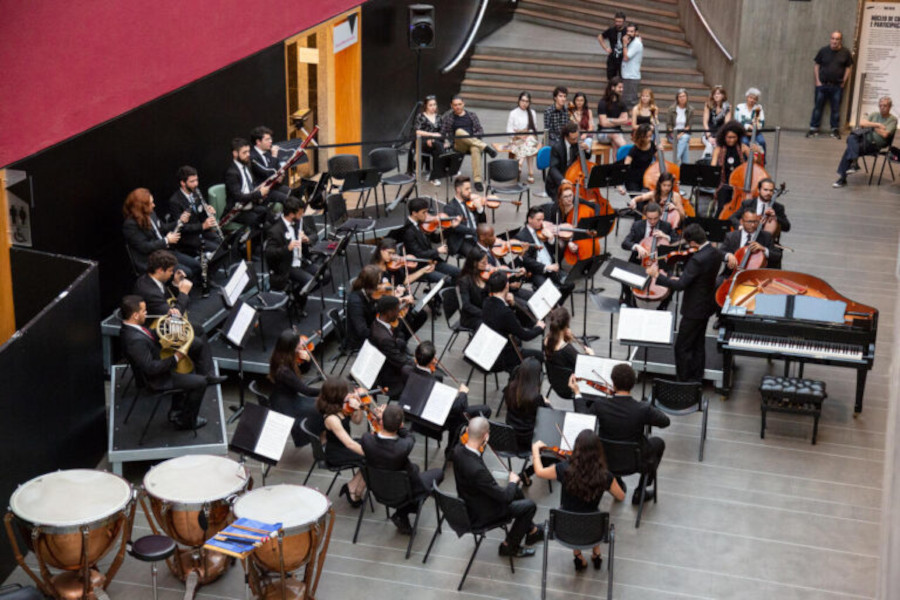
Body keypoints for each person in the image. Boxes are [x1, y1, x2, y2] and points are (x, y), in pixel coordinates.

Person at [532, 430, 626, 571]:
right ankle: (596, 553)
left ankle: (578, 556)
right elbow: (621, 496)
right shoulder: (605, 476)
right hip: (594, 531)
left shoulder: (564, 469)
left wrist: (535, 450)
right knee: (593, 513)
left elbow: (539, 472)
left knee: (573, 513)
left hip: (565, 528)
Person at [452, 416, 544, 558]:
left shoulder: (458, 450)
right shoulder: (477, 470)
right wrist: (513, 481)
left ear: (468, 431)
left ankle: (532, 530)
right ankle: (509, 547)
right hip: (482, 513)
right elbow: (505, 497)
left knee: (517, 492)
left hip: (469, 498)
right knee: (529, 505)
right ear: (486, 436)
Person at [119, 295, 210, 431]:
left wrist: (169, 323)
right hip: (157, 380)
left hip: (158, 364)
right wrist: (176, 357)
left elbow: (151, 335)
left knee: (194, 349)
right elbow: (151, 368)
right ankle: (187, 421)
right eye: (144, 311)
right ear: (135, 315)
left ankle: (176, 410)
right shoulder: (134, 341)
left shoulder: (133, 328)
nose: (147, 313)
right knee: (201, 382)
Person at [581, 363, 669, 503]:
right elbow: (665, 421)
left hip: (605, 460)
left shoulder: (600, 404)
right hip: (636, 462)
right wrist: (649, 407)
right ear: (633, 385)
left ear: (613, 384)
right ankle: (641, 490)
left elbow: (583, 420)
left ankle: (617, 481)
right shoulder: (642, 409)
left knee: (612, 441)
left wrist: (579, 395)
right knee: (658, 443)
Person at [132, 250, 223, 385]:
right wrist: (184, 293)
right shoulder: (149, 291)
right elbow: (174, 317)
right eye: (169, 271)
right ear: (159, 270)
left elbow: (168, 300)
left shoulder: (151, 279)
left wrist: (175, 284)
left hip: (163, 322)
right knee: (197, 343)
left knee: (198, 329)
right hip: (156, 332)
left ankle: (206, 373)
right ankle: (201, 377)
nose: (171, 273)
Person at [646, 224, 722, 382]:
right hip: (707, 304)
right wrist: (682, 279)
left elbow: (680, 286)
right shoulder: (714, 252)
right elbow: (696, 279)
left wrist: (657, 276)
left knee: (682, 347)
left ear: (693, 243)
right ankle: (696, 378)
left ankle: (683, 381)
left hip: (694, 308)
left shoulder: (697, 259)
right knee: (698, 344)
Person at [361, 404, 445, 534]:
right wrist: (394, 421)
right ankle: (402, 512)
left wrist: (380, 418)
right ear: (401, 425)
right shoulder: (404, 446)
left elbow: (375, 434)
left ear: (381, 422)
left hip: (377, 489)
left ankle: (402, 514)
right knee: (438, 473)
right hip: (403, 493)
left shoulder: (366, 440)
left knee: (414, 470)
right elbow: (408, 435)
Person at [400, 341, 491, 455]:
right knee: (468, 413)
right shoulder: (434, 384)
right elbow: (458, 407)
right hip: (431, 422)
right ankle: (451, 449)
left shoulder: (406, 370)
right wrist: (463, 393)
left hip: (415, 416)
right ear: (433, 360)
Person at [122, 187, 197, 278]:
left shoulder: (151, 213)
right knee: (187, 272)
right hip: (153, 260)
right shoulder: (130, 225)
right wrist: (166, 240)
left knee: (195, 265)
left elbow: (162, 227)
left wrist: (179, 221)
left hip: (165, 252)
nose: (154, 205)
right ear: (141, 206)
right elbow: (144, 247)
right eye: (150, 203)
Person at [317, 378, 369, 506]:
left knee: (372, 443)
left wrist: (359, 407)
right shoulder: (331, 419)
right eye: (347, 393)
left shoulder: (342, 407)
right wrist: (371, 453)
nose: (350, 395)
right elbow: (349, 444)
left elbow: (357, 421)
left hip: (344, 445)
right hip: (337, 452)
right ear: (337, 395)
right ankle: (356, 491)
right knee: (373, 458)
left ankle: (352, 486)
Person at [268, 329, 322, 447]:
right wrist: (327, 391)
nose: (302, 344)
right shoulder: (283, 371)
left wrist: (307, 361)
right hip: (286, 403)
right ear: (291, 347)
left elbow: (303, 371)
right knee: (321, 409)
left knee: (320, 405)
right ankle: (315, 440)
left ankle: (320, 438)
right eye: (298, 343)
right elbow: (306, 391)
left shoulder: (282, 356)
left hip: (287, 396)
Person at [481, 271, 545, 372]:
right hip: (504, 355)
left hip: (491, 347)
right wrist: (539, 328)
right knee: (539, 356)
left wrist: (512, 304)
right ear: (507, 285)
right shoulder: (505, 312)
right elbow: (525, 335)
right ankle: (527, 382)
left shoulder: (486, 302)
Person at [265, 196, 321, 307]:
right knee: (310, 282)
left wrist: (307, 239)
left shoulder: (299, 222)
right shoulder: (275, 230)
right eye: (300, 214)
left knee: (324, 275)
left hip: (301, 261)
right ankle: (297, 300)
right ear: (291, 214)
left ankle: (297, 295)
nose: (302, 216)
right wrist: (287, 248)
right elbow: (269, 253)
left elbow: (314, 235)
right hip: (286, 266)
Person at [514, 206, 574, 304]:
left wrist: (551, 239)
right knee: (550, 292)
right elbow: (526, 260)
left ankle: (557, 305)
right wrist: (546, 267)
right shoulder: (521, 236)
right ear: (530, 219)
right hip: (536, 272)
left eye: (543, 219)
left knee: (570, 284)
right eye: (538, 220)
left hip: (552, 267)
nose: (542, 223)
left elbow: (557, 252)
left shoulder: (544, 230)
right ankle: (553, 307)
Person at [833, 96, 897, 188]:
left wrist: (870, 127)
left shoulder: (892, 119)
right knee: (851, 138)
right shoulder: (875, 114)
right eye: (880, 105)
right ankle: (853, 164)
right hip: (864, 139)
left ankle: (844, 177)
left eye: (885, 106)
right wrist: (877, 125)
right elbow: (862, 123)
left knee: (849, 149)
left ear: (890, 107)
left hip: (874, 145)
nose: (882, 107)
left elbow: (885, 134)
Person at [440, 96, 498, 192]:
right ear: (451, 106)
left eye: (459, 104)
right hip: (458, 144)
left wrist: (472, 138)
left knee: (475, 148)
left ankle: (477, 181)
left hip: (472, 143)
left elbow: (480, 130)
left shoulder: (471, 115)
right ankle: (486, 147)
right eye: (455, 105)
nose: (458, 107)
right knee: (459, 132)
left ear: (463, 104)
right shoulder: (448, 118)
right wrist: (446, 141)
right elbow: (442, 133)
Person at [401, 196, 461, 283]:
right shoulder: (408, 231)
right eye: (424, 212)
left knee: (459, 272)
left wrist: (451, 227)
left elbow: (436, 239)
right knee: (446, 280)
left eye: (427, 212)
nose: (427, 215)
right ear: (414, 213)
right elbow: (418, 254)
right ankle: (441, 295)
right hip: (421, 266)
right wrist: (437, 251)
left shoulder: (423, 224)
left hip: (432, 261)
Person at [166, 166, 220, 261]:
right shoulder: (175, 201)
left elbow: (200, 215)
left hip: (201, 232)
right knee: (216, 249)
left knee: (221, 242)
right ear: (183, 183)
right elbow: (182, 227)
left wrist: (208, 212)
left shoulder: (196, 192)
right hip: (188, 237)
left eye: (196, 180)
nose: (196, 184)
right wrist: (202, 226)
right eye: (192, 181)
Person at [807, 31, 853, 139]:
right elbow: (817, 65)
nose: (834, 41)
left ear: (840, 40)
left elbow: (848, 67)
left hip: (837, 86)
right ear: (830, 39)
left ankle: (835, 130)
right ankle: (813, 129)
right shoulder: (823, 51)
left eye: (837, 39)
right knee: (818, 107)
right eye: (833, 38)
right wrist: (817, 81)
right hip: (822, 85)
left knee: (836, 109)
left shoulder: (846, 53)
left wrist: (844, 81)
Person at [503, 357, 551, 454]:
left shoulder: (509, 388)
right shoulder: (536, 398)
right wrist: (547, 403)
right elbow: (548, 414)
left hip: (511, 436)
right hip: (528, 439)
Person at [475, 223, 532, 302]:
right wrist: (509, 282)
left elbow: (504, 268)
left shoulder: (493, 249)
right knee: (527, 305)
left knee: (533, 296)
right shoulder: (477, 256)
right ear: (482, 237)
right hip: (498, 295)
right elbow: (489, 282)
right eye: (491, 235)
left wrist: (515, 272)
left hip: (507, 287)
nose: (495, 238)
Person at [369, 295, 413, 396]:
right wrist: (419, 364)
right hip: (390, 377)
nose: (398, 314)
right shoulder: (384, 339)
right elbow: (400, 361)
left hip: (389, 362)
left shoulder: (376, 323)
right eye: (397, 310)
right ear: (389, 312)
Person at [224, 137, 272, 228]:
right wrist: (259, 193)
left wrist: (259, 188)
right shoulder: (231, 173)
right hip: (237, 212)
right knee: (260, 223)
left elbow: (250, 187)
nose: (248, 154)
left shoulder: (247, 165)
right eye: (244, 152)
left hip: (249, 206)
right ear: (235, 153)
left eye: (248, 151)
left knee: (269, 214)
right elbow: (239, 197)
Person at [719, 210, 781, 279]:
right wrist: (728, 256)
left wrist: (764, 249)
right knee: (717, 284)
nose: (753, 225)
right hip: (732, 274)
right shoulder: (731, 236)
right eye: (749, 222)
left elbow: (777, 255)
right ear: (742, 222)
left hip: (757, 276)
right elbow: (719, 253)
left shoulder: (766, 236)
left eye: (755, 221)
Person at [729, 178, 791, 243]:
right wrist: (740, 226)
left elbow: (787, 227)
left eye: (771, 190)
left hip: (767, 245)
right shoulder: (748, 203)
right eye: (765, 190)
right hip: (747, 241)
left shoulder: (778, 207)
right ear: (759, 190)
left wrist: (775, 217)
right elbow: (732, 218)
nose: (768, 193)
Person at [711, 120, 751, 214]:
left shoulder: (743, 147)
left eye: (734, 137)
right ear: (724, 137)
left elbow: (755, 163)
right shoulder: (719, 148)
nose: (731, 140)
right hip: (724, 184)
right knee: (722, 208)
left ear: (738, 137)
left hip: (739, 186)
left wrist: (755, 152)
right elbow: (713, 166)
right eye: (729, 137)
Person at [443, 176, 488, 258]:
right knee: (477, 257)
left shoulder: (471, 203)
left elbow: (483, 222)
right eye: (467, 189)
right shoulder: (450, 207)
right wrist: (475, 231)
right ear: (458, 190)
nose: (470, 191)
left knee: (494, 251)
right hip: (462, 240)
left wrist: (480, 208)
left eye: (470, 188)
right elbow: (457, 227)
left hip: (476, 237)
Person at [546, 122, 590, 200]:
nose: (576, 140)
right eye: (573, 139)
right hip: (557, 182)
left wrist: (587, 150)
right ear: (566, 137)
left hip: (573, 179)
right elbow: (553, 168)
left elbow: (587, 157)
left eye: (577, 137)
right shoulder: (557, 147)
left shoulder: (577, 143)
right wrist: (562, 180)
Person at [249, 125, 291, 204]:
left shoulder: (267, 153)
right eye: (267, 139)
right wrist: (274, 156)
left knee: (292, 193)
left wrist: (281, 176)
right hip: (262, 190)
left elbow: (278, 168)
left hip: (274, 186)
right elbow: (268, 174)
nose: (271, 141)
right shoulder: (253, 157)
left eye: (270, 139)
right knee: (287, 199)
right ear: (258, 142)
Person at [411, 95, 447, 183]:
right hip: (422, 141)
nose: (433, 107)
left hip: (436, 142)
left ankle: (434, 176)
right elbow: (417, 131)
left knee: (437, 148)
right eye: (430, 105)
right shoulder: (421, 116)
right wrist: (432, 135)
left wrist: (445, 141)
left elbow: (442, 132)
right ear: (426, 106)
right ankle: (445, 165)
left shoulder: (439, 117)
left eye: (434, 104)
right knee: (438, 145)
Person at [507, 91, 539, 183]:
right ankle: (531, 173)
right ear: (519, 101)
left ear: (529, 103)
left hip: (529, 138)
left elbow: (534, 129)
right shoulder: (513, 113)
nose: (524, 103)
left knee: (529, 141)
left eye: (527, 101)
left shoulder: (532, 113)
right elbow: (509, 130)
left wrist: (526, 133)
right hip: (516, 140)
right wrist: (519, 135)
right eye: (523, 100)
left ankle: (520, 164)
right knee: (528, 146)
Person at [346, 264, 380, 351]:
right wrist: (382, 335)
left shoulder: (368, 294)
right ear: (371, 284)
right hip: (359, 340)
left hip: (371, 329)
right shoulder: (355, 302)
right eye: (378, 283)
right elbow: (362, 331)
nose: (380, 286)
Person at [457, 248, 490, 331]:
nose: (487, 265)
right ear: (475, 263)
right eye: (483, 262)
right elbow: (466, 305)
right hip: (471, 317)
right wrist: (485, 314)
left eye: (487, 261)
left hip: (486, 310)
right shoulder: (465, 281)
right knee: (486, 324)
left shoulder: (486, 275)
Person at [620, 123, 656, 194]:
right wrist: (620, 185)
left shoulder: (652, 145)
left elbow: (659, 161)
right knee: (639, 203)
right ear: (641, 137)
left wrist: (660, 150)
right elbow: (625, 166)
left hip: (646, 178)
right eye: (647, 137)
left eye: (650, 136)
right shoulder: (634, 150)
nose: (649, 139)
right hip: (633, 180)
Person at [596, 77, 629, 152]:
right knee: (614, 135)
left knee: (615, 142)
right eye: (620, 87)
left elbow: (625, 121)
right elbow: (603, 124)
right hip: (603, 133)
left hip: (618, 132)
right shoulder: (603, 103)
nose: (622, 89)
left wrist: (610, 120)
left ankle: (617, 163)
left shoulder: (622, 103)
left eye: (622, 87)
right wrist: (618, 121)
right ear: (613, 87)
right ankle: (628, 152)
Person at [734, 88, 767, 157]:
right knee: (745, 142)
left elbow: (761, 123)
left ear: (757, 100)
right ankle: (745, 162)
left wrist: (754, 128)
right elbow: (737, 121)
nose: (752, 100)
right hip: (742, 132)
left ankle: (762, 162)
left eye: (754, 99)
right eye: (750, 97)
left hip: (755, 132)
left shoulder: (758, 108)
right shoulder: (740, 107)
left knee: (762, 142)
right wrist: (747, 126)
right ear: (747, 97)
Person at [701, 86, 732, 159]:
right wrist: (709, 136)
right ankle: (705, 163)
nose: (716, 95)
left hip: (720, 133)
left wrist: (719, 137)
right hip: (708, 132)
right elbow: (705, 122)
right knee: (709, 145)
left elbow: (726, 125)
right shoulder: (708, 104)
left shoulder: (728, 106)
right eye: (714, 94)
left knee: (717, 146)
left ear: (723, 95)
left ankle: (704, 164)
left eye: (718, 94)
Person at [666, 89, 694, 165]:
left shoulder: (690, 110)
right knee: (685, 145)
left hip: (684, 133)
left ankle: (676, 159)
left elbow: (689, 126)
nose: (682, 98)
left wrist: (680, 135)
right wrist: (674, 134)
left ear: (687, 97)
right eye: (680, 96)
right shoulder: (671, 109)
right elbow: (668, 125)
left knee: (684, 138)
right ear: (677, 98)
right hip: (673, 134)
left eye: (684, 96)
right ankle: (685, 168)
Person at [597, 11, 627, 80]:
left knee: (623, 78)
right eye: (616, 21)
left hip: (623, 59)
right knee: (610, 78)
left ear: (623, 22)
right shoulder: (611, 30)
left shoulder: (626, 31)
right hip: (612, 58)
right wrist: (606, 48)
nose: (617, 23)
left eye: (620, 22)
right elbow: (600, 36)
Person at [620, 23, 643, 110]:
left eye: (631, 31)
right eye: (628, 31)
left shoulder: (636, 43)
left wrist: (624, 44)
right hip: (627, 74)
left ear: (636, 32)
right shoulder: (631, 41)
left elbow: (626, 57)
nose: (629, 33)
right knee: (625, 99)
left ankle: (631, 119)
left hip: (632, 76)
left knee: (630, 100)